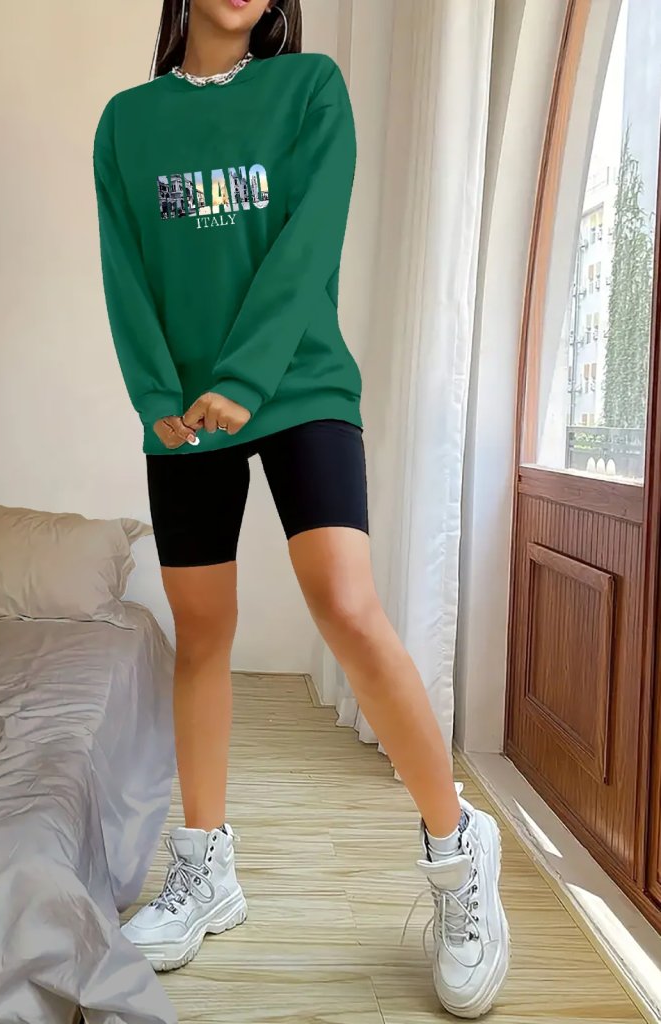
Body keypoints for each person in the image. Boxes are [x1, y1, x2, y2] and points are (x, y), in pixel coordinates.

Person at [92, 0, 510, 1017]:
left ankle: (457, 848)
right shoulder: (127, 121)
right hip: (184, 409)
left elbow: (307, 242)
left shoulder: (309, 89)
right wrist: (154, 397)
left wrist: (245, 376)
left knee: (345, 606)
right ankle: (206, 867)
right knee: (200, 634)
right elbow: (124, 267)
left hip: (301, 384)